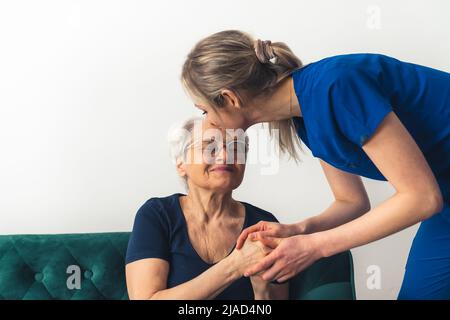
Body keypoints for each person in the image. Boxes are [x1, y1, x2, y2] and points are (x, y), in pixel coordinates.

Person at [180, 30, 450, 299]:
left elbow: (422, 198)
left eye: (205, 111)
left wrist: (315, 246)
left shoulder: (336, 86)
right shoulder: (303, 119)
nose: (208, 123)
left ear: (229, 99)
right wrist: (299, 230)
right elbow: (351, 201)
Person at [125, 118, 289, 299]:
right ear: (181, 164)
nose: (225, 156)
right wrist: (235, 265)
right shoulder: (156, 215)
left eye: (236, 148)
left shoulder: (264, 224)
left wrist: (262, 286)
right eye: (209, 147)